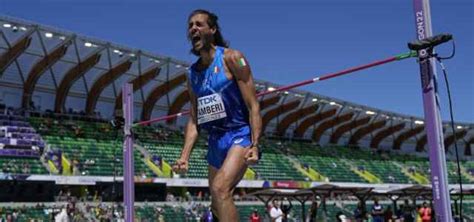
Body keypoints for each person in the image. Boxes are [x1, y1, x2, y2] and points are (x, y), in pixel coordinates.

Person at [173, 9, 262, 221]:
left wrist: (256, 144)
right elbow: (195, 119)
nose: (193, 28)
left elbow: (253, 106)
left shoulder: (234, 58)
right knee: (216, 202)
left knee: (221, 188)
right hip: (215, 139)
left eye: (199, 24)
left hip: (239, 134)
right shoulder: (192, 75)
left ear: (212, 29)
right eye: (190, 26)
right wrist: (184, 156)